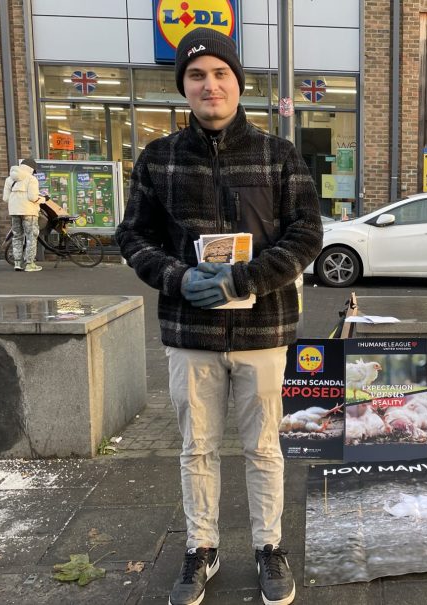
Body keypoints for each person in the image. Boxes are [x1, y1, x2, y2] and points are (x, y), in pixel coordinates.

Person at [115, 27, 323, 605]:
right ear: (183, 87)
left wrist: (242, 279)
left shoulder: (278, 155)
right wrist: (180, 277)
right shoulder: (158, 160)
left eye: (220, 73)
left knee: (263, 448)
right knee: (196, 448)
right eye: (197, 75)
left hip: (263, 329)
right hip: (191, 333)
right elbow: (133, 238)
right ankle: (201, 548)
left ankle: (268, 546)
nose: (211, 85)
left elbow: (307, 234)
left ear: (239, 82)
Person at [3, 158, 43, 272]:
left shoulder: (9, 179)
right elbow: (33, 197)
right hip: (29, 211)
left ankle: (17, 263)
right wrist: (43, 199)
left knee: (17, 236)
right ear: (31, 169)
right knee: (31, 237)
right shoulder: (31, 179)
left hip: (14, 212)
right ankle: (30, 264)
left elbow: (5, 198)